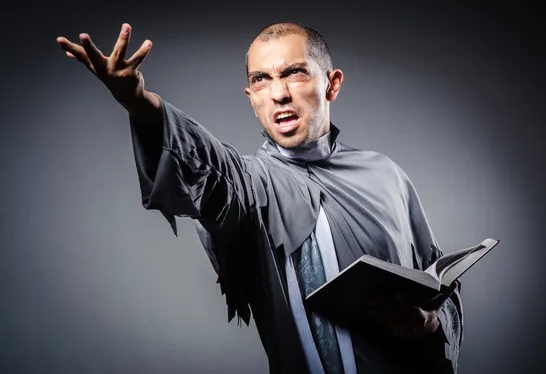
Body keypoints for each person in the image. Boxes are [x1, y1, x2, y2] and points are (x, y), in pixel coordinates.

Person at [56, 22, 464, 374]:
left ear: (332, 84)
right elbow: (208, 164)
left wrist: (429, 324)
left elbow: (438, 283)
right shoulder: (250, 181)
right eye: (260, 80)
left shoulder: (386, 175)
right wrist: (138, 102)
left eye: (294, 73)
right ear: (251, 100)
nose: (278, 93)